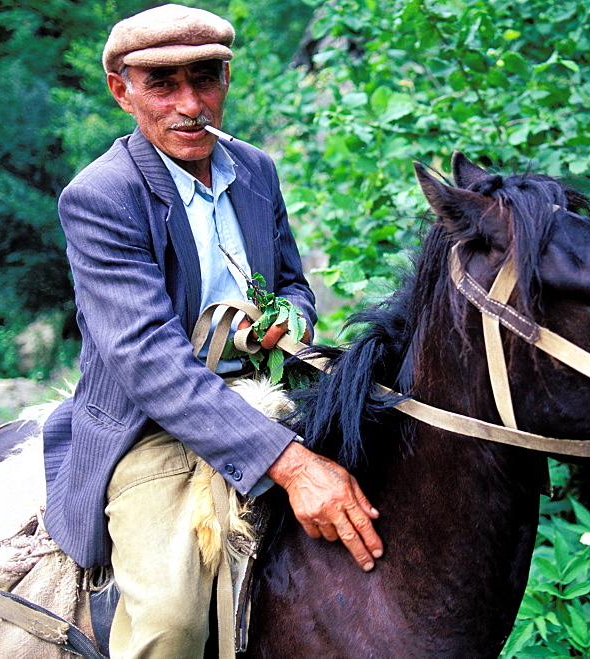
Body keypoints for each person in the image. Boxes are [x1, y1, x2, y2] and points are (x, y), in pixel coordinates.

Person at [40, 4, 383, 656]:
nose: (191, 104)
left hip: (268, 392)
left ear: (227, 77)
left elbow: (291, 283)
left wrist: (290, 317)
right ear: (123, 91)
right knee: (171, 624)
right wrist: (291, 464)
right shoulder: (101, 196)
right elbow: (148, 359)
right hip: (152, 424)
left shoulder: (254, 168)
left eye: (207, 79)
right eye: (164, 85)